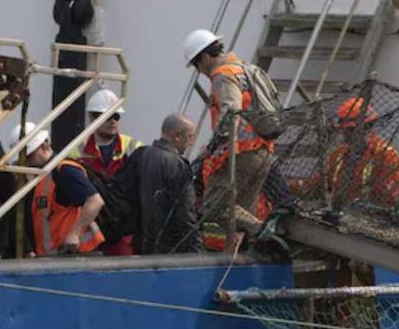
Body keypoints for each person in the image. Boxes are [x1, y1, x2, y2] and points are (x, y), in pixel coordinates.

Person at [182, 29, 273, 252]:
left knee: (214, 207)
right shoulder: (246, 69)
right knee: (242, 210)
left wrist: (216, 144)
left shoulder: (223, 74)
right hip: (264, 150)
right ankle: (240, 253)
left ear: (204, 57)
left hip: (241, 153)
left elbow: (231, 112)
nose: (200, 71)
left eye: (197, 65)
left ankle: (268, 230)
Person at [291, 96, 399, 210]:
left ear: (367, 127)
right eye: (344, 129)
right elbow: (319, 183)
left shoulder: (386, 156)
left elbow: (387, 198)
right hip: (339, 212)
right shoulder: (340, 153)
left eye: (350, 129)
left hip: (368, 217)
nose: (345, 134)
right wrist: (289, 188)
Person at [13, 122, 105, 256]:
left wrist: (74, 234)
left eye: (28, 157)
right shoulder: (43, 176)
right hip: (55, 256)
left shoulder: (64, 170)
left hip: (76, 254)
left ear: (44, 146)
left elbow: (95, 201)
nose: (26, 163)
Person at [70, 88, 142, 255]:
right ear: (92, 118)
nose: (113, 122)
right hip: (92, 226)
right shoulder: (76, 150)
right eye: (108, 116)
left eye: (117, 116)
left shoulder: (133, 147)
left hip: (123, 227)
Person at [135, 114, 201, 254]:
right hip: (170, 247)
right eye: (190, 137)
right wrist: (196, 250)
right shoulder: (177, 165)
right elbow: (186, 212)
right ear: (177, 136)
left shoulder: (144, 154)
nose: (191, 143)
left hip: (144, 241)